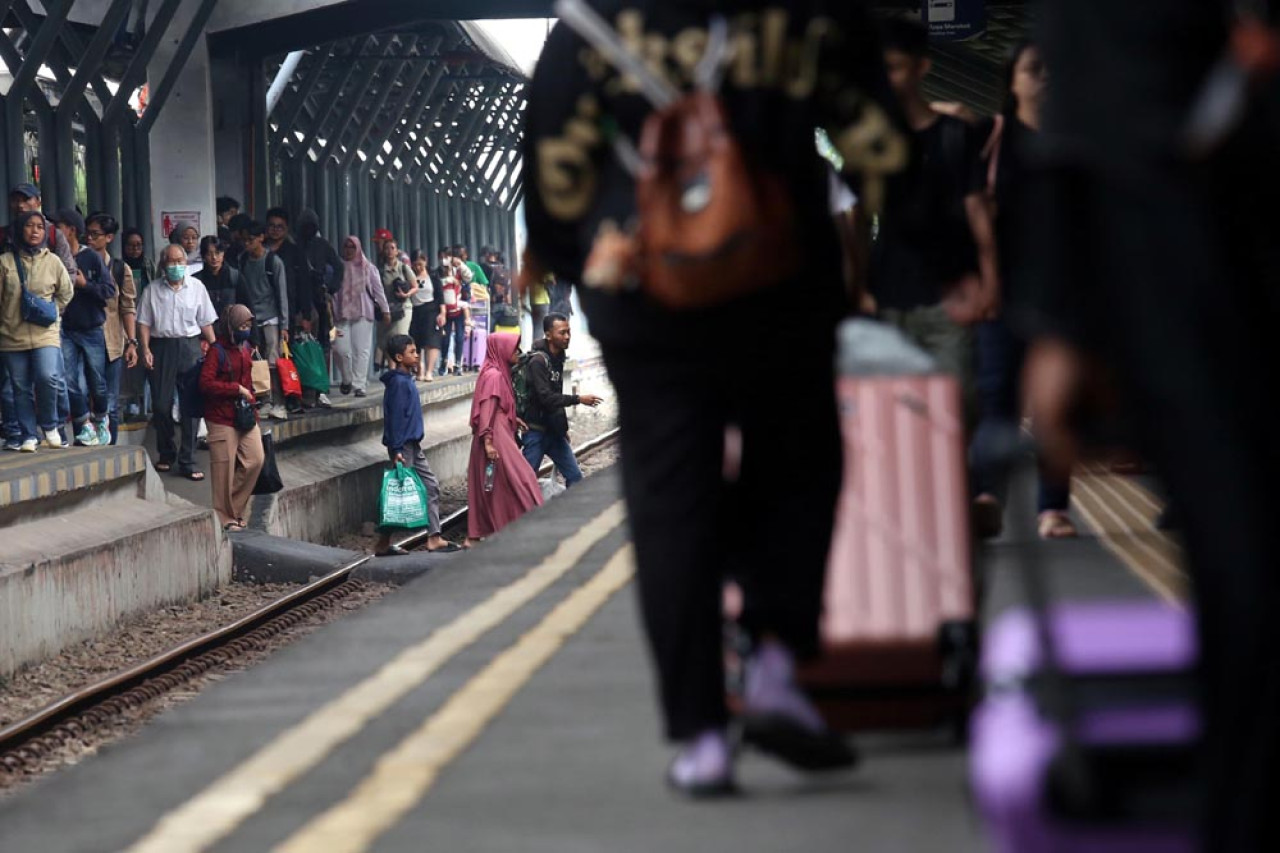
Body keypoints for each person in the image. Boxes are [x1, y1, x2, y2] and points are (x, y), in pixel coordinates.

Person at [523, 0, 906, 793]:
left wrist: (581, 260)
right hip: (781, 276)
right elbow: (874, 137)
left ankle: (703, 737)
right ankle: (772, 662)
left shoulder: (592, 26)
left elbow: (556, 165)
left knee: (671, 499)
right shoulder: (809, 19)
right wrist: (942, 250)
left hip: (645, 293)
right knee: (798, 461)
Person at [1022, 2, 1280, 849]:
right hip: (1202, 255)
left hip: (1191, 256)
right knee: (1247, 581)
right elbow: (1096, 73)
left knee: (1247, 581)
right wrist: (1063, 316)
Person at [966, 41, 1077, 541]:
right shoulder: (992, 137)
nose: (1045, 78)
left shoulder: (1075, 135)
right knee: (997, 398)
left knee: (1059, 406)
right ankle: (986, 496)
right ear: (1011, 81)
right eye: (1033, 69)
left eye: (1051, 67)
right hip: (1003, 289)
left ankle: (1052, 510)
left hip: (1062, 289)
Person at [869, 17, 998, 379]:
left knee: (955, 410)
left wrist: (990, 283)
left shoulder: (954, 135)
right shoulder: (873, 143)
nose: (885, 79)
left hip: (948, 299)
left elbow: (978, 212)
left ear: (921, 67)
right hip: (887, 295)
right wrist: (859, 289)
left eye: (894, 67)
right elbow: (856, 217)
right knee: (891, 419)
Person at [373, 334, 462, 557]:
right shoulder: (398, 385)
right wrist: (397, 450)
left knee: (429, 486)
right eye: (412, 352)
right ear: (398, 357)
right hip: (404, 447)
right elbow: (395, 419)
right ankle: (383, 542)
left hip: (412, 444)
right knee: (400, 494)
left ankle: (434, 537)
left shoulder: (405, 381)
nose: (416, 355)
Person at [137, 243, 218, 480]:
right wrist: (145, 348)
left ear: (186, 263)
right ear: (163, 265)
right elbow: (144, 322)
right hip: (161, 347)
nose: (175, 266)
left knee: (191, 408)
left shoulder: (197, 288)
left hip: (190, 347)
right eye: (171, 262)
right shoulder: (152, 290)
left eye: (179, 261)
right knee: (161, 406)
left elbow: (205, 321)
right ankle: (166, 452)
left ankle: (188, 460)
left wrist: (215, 348)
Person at [0, 211, 74, 452]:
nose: (34, 231)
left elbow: (66, 292)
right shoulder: (5, 262)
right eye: (29, 226)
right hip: (12, 334)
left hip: (46, 334)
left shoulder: (53, 261)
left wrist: (53, 312)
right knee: (19, 387)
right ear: (20, 230)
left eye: (40, 227)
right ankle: (28, 435)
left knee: (48, 377)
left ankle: (50, 425)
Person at [465, 332, 542, 547]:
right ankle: (530, 523)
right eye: (513, 348)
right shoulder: (495, 376)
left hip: (498, 431)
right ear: (501, 350)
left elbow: (496, 406)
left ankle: (481, 534)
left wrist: (512, 418)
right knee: (522, 476)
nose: (517, 353)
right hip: (495, 436)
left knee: (496, 484)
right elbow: (487, 409)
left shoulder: (497, 372)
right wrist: (488, 441)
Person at [199, 303, 265, 532]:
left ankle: (234, 509)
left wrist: (253, 407)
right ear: (231, 327)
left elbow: (248, 384)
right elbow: (206, 384)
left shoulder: (244, 349)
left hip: (244, 416)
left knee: (255, 459)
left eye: (248, 325)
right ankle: (224, 516)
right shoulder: (216, 352)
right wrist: (235, 389)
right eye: (242, 325)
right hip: (220, 417)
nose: (246, 329)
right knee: (223, 469)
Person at [54, 208, 116, 447]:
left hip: (91, 329)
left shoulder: (91, 258)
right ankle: (83, 423)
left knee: (97, 381)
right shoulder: (53, 257)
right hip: (65, 329)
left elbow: (109, 291)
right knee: (69, 380)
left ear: (70, 230)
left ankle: (101, 418)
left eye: (58, 226)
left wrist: (84, 284)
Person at [521, 312, 602, 487]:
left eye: (569, 332)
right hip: (536, 432)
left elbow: (556, 394)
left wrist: (561, 426)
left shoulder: (558, 358)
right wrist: (578, 399)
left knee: (575, 477)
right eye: (562, 333)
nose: (567, 337)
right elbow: (547, 398)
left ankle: (566, 512)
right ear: (548, 335)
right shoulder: (538, 362)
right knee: (524, 484)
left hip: (554, 432)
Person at [87, 213, 138, 446]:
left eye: (95, 234)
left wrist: (132, 342)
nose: (89, 237)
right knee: (85, 396)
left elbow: (127, 306)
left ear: (108, 237)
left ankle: (111, 450)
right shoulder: (78, 264)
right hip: (84, 339)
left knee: (111, 401)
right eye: (87, 233)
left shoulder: (119, 268)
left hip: (113, 343)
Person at [235, 220, 290, 420]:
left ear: (261, 238)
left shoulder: (272, 262)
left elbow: (282, 294)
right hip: (250, 317)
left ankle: (279, 402)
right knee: (255, 361)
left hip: (271, 317)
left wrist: (284, 325)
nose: (247, 244)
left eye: (251, 240)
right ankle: (264, 400)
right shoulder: (243, 261)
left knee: (273, 360)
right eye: (244, 240)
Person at [332, 236, 390, 398]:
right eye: (346, 247)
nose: (349, 250)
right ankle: (347, 378)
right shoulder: (338, 267)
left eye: (352, 247)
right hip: (340, 313)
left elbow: (378, 291)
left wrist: (385, 310)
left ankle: (359, 385)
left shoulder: (368, 268)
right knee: (339, 348)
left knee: (361, 350)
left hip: (364, 312)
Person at [377, 238, 416, 369]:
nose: (389, 251)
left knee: (400, 338)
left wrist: (406, 295)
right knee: (386, 340)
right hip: (388, 308)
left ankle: (403, 367)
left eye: (392, 248)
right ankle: (392, 367)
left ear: (397, 250)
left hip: (404, 308)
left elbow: (415, 286)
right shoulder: (381, 269)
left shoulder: (404, 267)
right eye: (387, 248)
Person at [408, 250, 444, 382]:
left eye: (420, 264)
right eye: (415, 265)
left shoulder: (433, 274)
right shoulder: (409, 274)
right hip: (414, 310)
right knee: (415, 341)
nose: (418, 267)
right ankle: (419, 368)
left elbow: (440, 295)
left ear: (426, 261)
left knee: (431, 341)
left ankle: (429, 371)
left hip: (431, 309)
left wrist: (442, 313)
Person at [438, 250, 472, 376]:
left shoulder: (459, 271)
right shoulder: (438, 272)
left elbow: (469, 277)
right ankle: (444, 361)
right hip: (445, 311)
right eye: (442, 257)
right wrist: (449, 280)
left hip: (458, 309)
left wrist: (461, 264)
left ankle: (458, 364)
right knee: (445, 339)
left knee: (459, 337)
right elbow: (436, 284)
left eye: (447, 257)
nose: (444, 260)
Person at [195, 236, 243, 318]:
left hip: (231, 326)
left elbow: (245, 304)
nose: (214, 257)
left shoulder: (234, 275)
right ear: (203, 256)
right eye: (209, 254)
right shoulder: (197, 281)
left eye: (217, 253)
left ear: (223, 253)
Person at [121, 227, 157, 293]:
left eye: (138, 244)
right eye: (131, 245)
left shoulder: (149, 265)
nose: (135, 248)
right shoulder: (119, 266)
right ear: (124, 246)